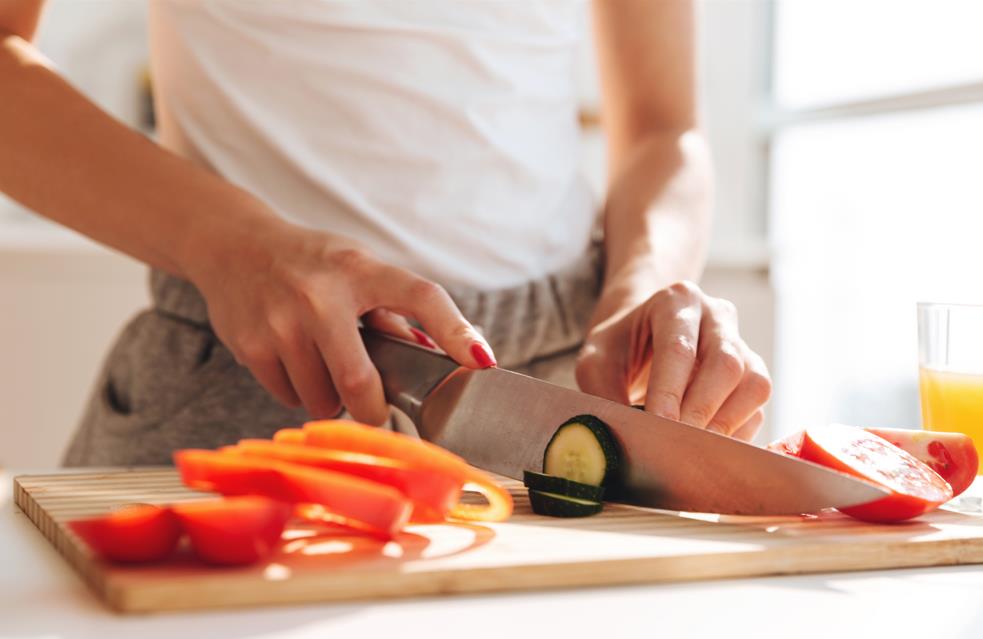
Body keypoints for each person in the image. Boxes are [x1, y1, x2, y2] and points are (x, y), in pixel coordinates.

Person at [0, 0, 772, 467]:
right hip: (247, 375)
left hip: (556, 391)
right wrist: (233, 243)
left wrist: (639, 292)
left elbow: (663, 130)